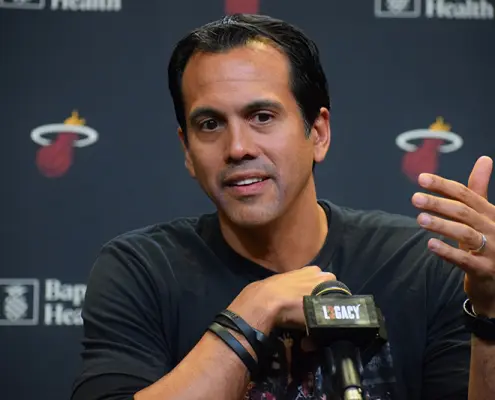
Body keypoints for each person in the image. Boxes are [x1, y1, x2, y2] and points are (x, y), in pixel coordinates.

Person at [70, 14, 495, 400]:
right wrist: (256, 308)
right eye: (210, 124)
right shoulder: (141, 272)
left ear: (319, 133)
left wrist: (491, 312)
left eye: (262, 117)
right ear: (187, 151)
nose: (238, 148)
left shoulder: (421, 267)